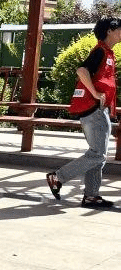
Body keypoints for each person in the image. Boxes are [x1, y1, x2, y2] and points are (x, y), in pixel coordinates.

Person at [46, 16, 121, 209]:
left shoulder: (107, 52)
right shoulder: (100, 51)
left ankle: (91, 196)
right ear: (110, 31)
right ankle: (58, 177)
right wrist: (95, 93)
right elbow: (82, 70)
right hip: (94, 110)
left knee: (97, 155)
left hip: (98, 110)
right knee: (98, 155)